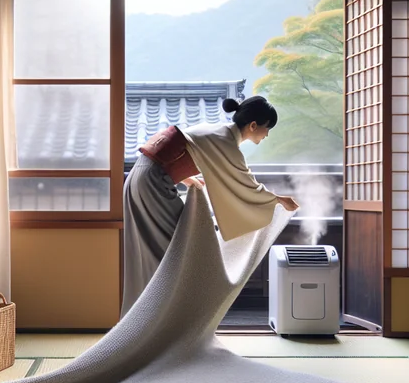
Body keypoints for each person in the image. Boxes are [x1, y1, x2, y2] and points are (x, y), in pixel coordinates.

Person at [121, 95, 300, 318]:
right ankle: (168, 320)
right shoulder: (226, 142)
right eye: (267, 128)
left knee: (161, 250)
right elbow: (247, 185)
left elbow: (179, 151)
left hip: (141, 177)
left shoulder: (217, 131)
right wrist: (278, 199)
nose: (267, 135)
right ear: (253, 125)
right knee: (180, 249)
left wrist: (188, 179)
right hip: (152, 182)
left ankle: (153, 317)